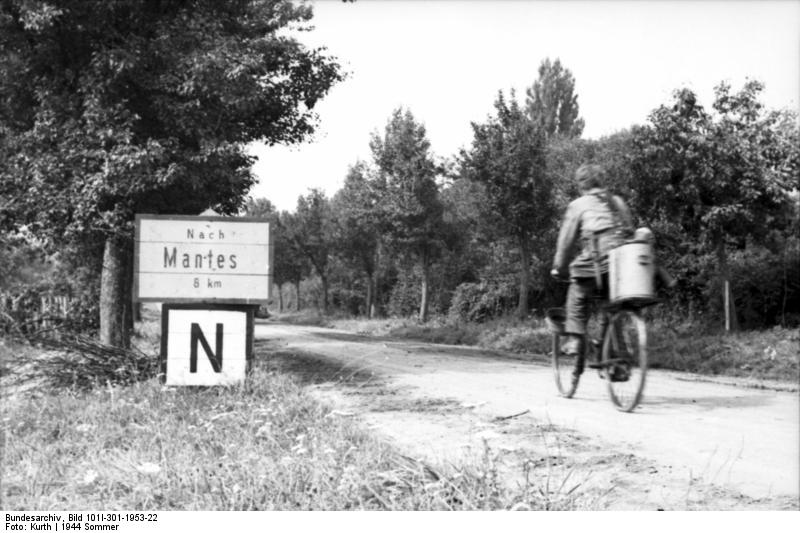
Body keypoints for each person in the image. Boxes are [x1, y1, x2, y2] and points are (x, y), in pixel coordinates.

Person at [550, 164, 634, 377]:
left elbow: (566, 241)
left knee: (577, 291)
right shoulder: (617, 202)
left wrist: (559, 267)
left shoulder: (578, 205)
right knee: (612, 306)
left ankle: (575, 339)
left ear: (582, 185)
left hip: (597, 262)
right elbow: (630, 232)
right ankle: (614, 356)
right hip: (623, 266)